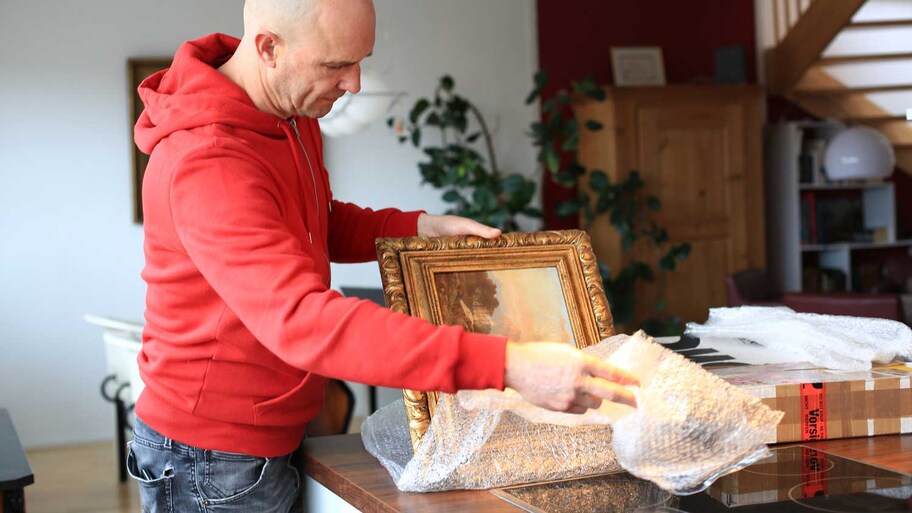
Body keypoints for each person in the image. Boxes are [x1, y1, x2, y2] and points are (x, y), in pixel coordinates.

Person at [128, 0, 638, 511]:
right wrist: (508, 363)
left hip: (265, 434)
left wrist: (415, 228)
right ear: (268, 49)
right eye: (334, 66)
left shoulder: (288, 109)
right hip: (210, 455)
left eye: (360, 60)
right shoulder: (207, 160)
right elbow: (304, 321)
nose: (353, 84)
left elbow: (312, 222)